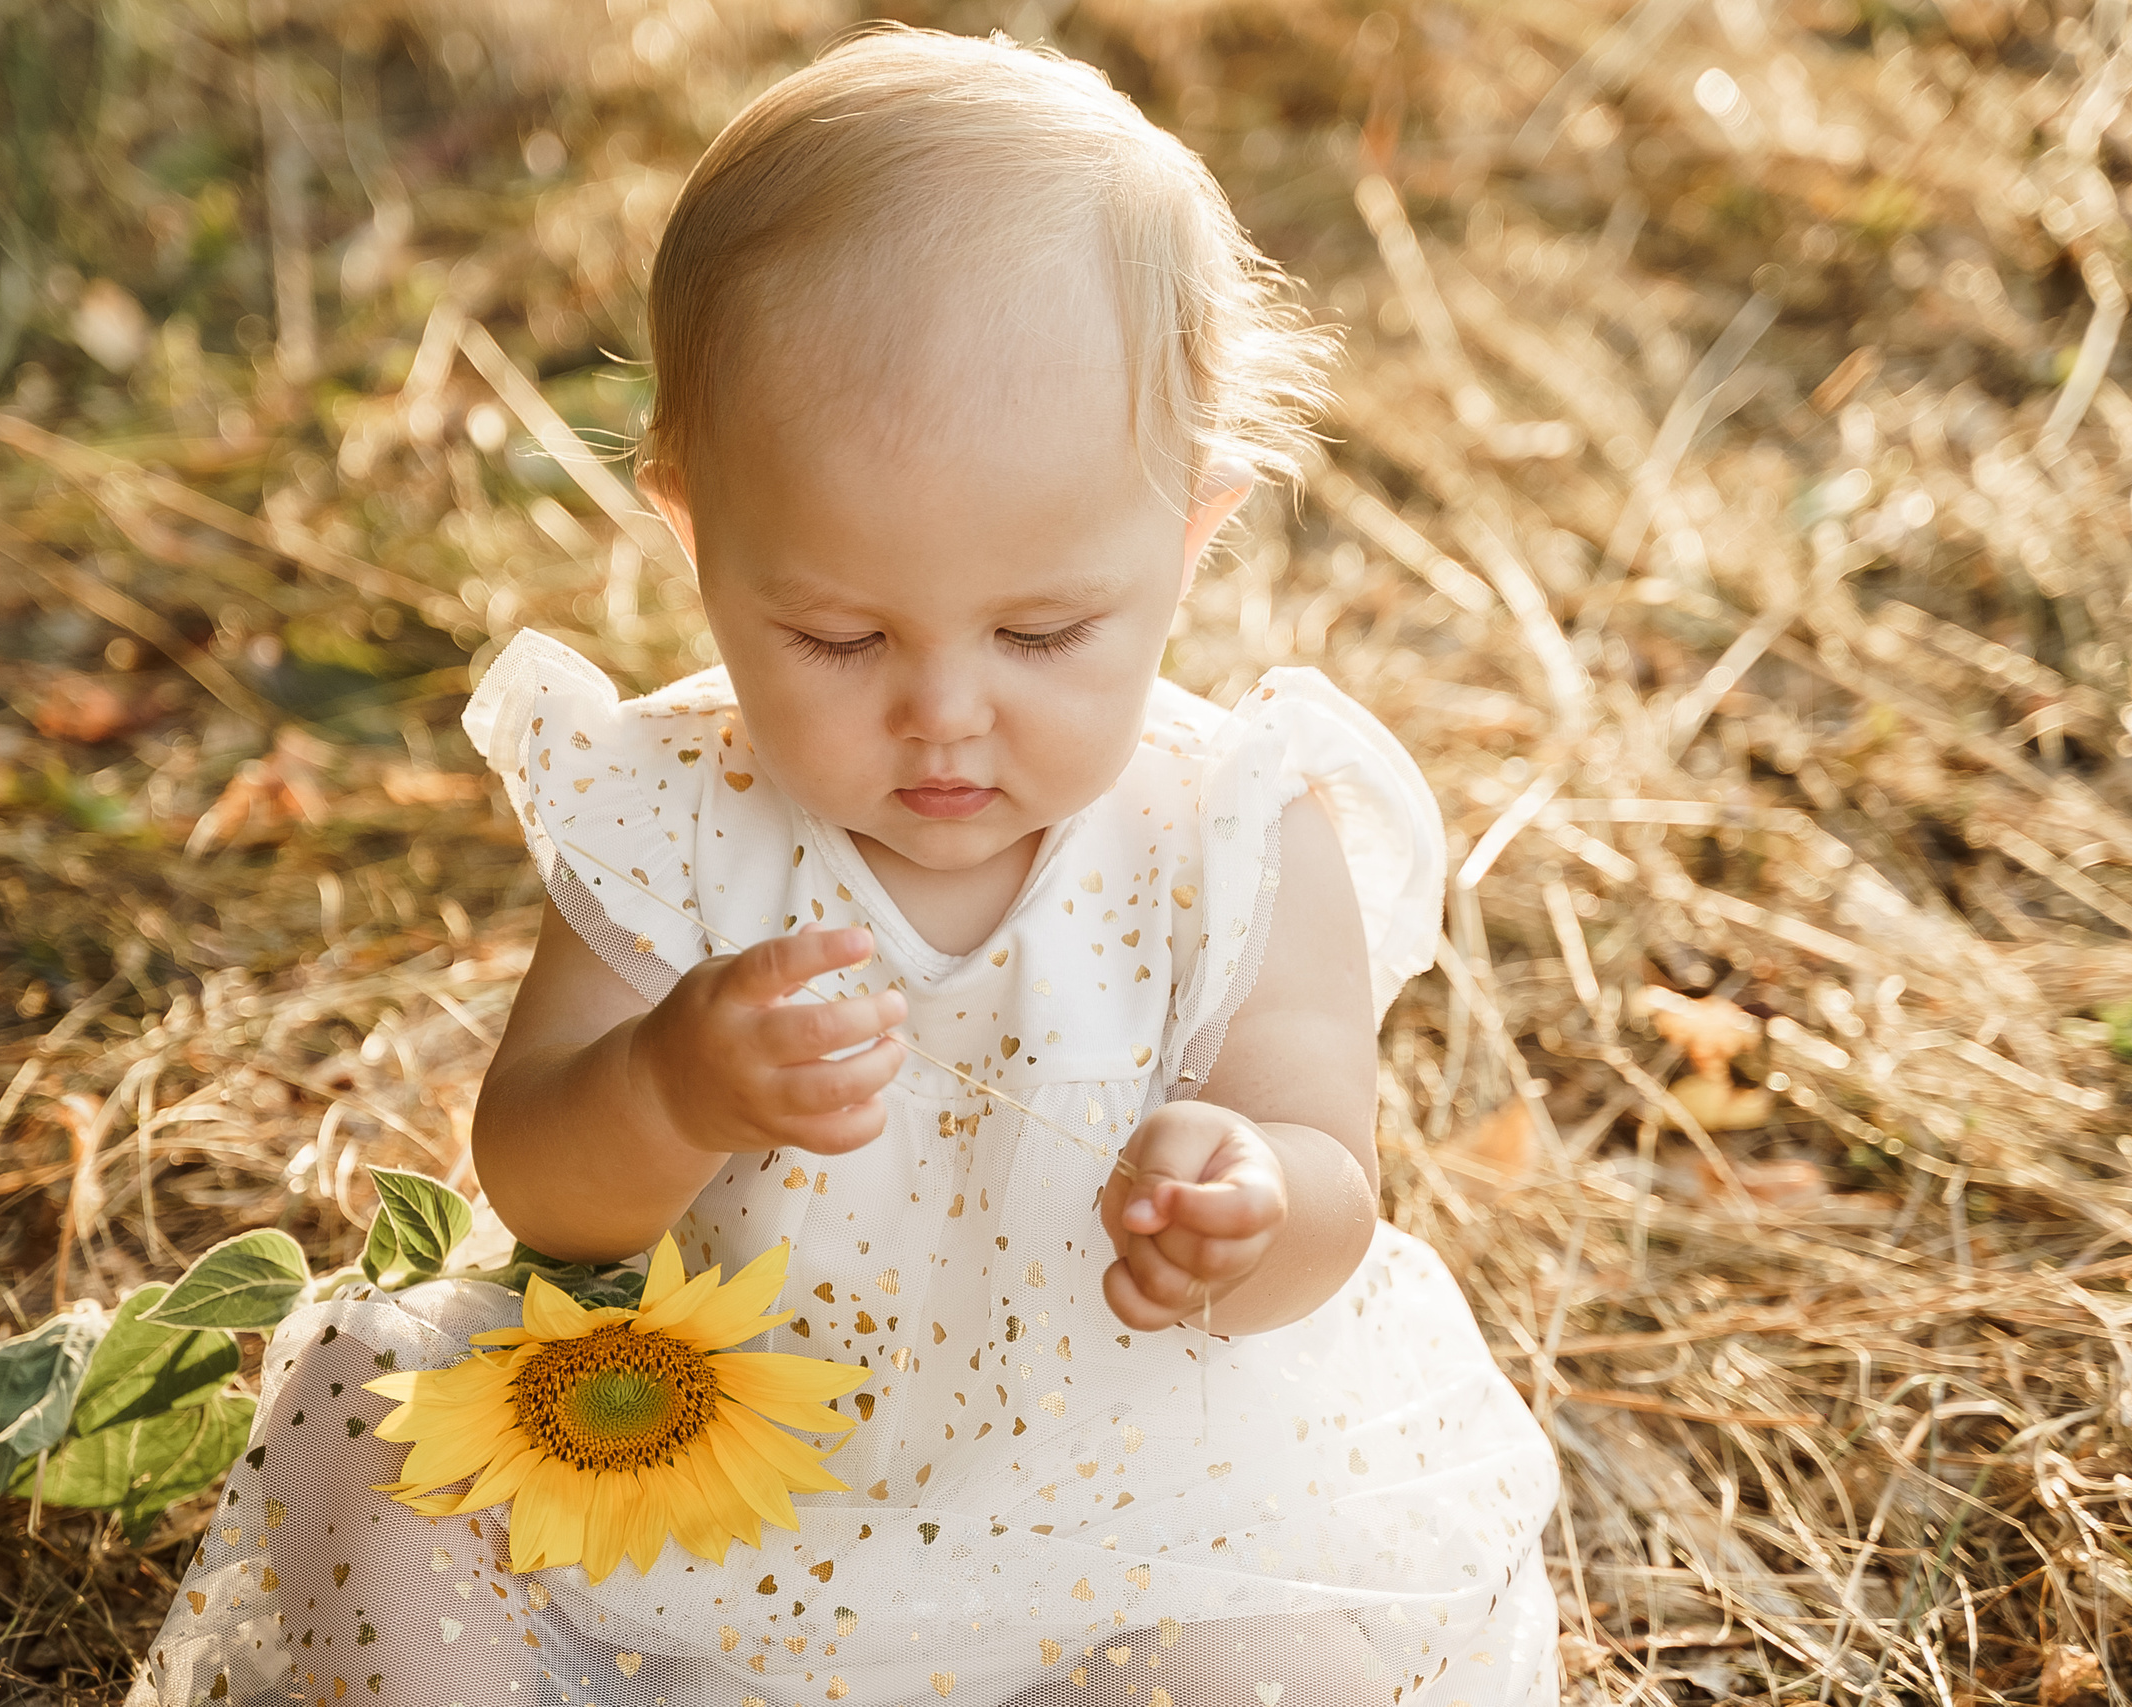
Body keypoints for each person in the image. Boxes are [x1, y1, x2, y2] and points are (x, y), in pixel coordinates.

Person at [129, 27, 1558, 1707]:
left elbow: (1332, 1185)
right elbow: (540, 1180)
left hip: (1113, 1522)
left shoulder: (1231, 835)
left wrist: (1250, 1199)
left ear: (1191, 535)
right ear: (695, 535)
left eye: (1043, 632)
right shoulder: (677, 805)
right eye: (834, 635)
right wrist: (668, 1086)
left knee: (1277, 1669)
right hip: (694, 1472)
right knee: (370, 1435)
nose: (943, 711)